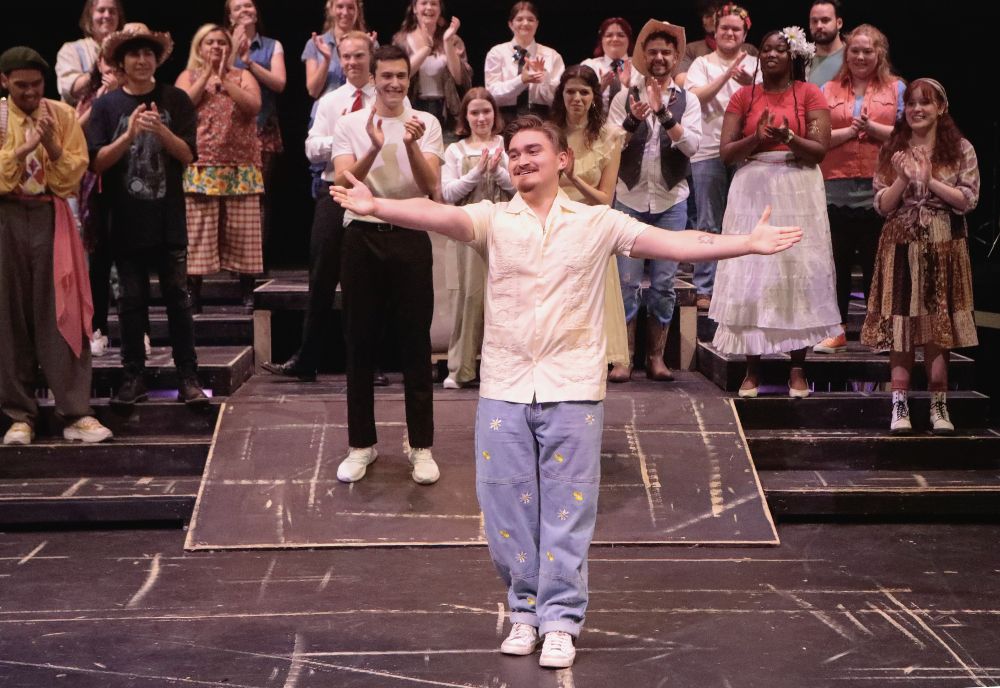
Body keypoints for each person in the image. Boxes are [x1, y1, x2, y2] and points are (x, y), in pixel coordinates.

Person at [331, 114, 801, 669]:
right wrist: (378, 205)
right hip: (505, 384)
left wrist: (745, 242)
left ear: (562, 160)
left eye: (533, 150)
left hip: (572, 384)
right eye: (514, 152)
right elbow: (438, 214)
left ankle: (560, 620)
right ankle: (523, 610)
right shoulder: (494, 219)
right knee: (504, 507)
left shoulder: (596, 222)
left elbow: (676, 242)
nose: (522, 159)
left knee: (566, 510)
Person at [329, 44, 444, 485]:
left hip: (411, 236)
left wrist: (411, 146)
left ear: (408, 80)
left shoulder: (426, 123)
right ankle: (361, 445)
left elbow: (432, 185)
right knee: (359, 343)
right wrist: (375, 148)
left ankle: (421, 447)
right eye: (386, 76)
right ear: (373, 78)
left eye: (401, 76)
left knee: (415, 343)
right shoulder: (350, 124)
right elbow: (342, 181)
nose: (394, 83)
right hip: (360, 236)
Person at [709, 27, 840, 398]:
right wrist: (757, 138)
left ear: (793, 56)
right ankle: (752, 370)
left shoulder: (809, 93)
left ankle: (797, 369)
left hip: (798, 184)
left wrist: (788, 138)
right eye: (765, 49)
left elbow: (818, 150)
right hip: (753, 186)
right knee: (753, 270)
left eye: (779, 50)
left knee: (798, 268)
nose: (770, 55)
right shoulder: (742, 96)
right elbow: (726, 153)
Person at [87, 23, 209, 407]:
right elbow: (96, 164)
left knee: (178, 300)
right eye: (134, 54)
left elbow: (188, 155)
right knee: (130, 303)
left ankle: (188, 378)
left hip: (168, 219)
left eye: (148, 54)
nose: (142, 60)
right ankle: (133, 376)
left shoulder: (176, 100)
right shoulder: (106, 106)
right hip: (123, 223)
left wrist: (160, 132)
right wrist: (127, 137)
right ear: (121, 62)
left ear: (157, 60)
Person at [0, 46, 113, 446]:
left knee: (62, 310)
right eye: (21, 86)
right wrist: (23, 148)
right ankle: (19, 415)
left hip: (50, 215)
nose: (30, 93)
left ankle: (75, 411)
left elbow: (71, 176)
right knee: (9, 316)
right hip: (6, 216)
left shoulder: (61, 115)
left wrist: (50, 146)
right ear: (5, 82)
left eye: (36, 85)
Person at [861, 79, 979, 435]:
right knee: (901, 325)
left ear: (941, 108)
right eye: (910, 103)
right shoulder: (893, 149)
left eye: (925, 103)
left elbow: (968, 201)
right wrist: (901, 178)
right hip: (899, 244)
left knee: (937, 327)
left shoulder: (960, 149)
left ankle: (938, 404)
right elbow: (881, 204)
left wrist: (929, 181)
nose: (916, 109)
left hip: (944, 244)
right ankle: (899, 404)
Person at [263, 31, 375, 381]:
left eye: (359, 55)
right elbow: (312, 149)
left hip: (373, 192)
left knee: (367, 280)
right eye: (347, 56)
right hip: (334, 190)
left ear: (371, 57)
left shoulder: (383, 100)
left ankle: (367, 364)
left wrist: (350, 141)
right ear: (340, 59)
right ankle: (307, 358)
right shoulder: (330, 101)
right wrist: (346, 136)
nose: (353, 62)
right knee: (322, 276)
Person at [608, 20, 703, 382]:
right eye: (653, 52)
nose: (660, 58)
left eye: (666, 52)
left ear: (676, 57)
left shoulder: (687, 100)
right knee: (627, 283)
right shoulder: (623, 97)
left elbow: (692, 146)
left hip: (670, 200)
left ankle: (656, 356)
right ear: (643, 57)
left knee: (664, 283)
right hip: (630, 197)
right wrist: (633, 121)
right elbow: (611, 145)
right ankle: (623, 357)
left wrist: (663, 114)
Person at [813, 25, 904, 354]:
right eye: (855, 50)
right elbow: (818, 137)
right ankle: (835, 331)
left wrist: (872, 128)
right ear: (845, 53)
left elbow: (908, 134)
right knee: (834, 266)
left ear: (880, 53)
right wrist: (850, 132)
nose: (861, 56)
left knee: (876, 265)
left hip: (880, 192)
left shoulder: (897, 88)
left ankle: (877, 331)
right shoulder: (828, 87)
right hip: (834, 190)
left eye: (868, 51)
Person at [550, 65, 630, 381]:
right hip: (555, 220)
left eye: (584, 92)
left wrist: (572, 178)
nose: (577, 98)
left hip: (592, 220)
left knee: (604, 288)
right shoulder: (550, 133)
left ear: (594, 97)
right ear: (562, 95)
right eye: (571, 91)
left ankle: (616, 357)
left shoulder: (610, 137)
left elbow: (605, 199)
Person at [176, 24, 263, 309]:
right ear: (199, 48)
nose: (216, 47)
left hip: (241, 166)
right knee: (199, 233)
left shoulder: (243, 75)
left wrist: (225, 80)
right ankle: (193, 293)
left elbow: (253, 106)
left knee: (243, 232)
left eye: (221, 42)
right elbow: (182, 106)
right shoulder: (188, 76)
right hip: (202, 165)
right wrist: (205, 77)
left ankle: (248, 292)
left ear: (231, 47)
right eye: (209, 42)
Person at [685, 4, 759, 311]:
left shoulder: (756, 63)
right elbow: (694, 97)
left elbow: (768, 101)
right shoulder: (702, 63)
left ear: (744, 34)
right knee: (708, 222)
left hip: (747, 151)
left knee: (743, 221)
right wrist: (726, 76)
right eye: (724, 28)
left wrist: (748, 84)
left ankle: (740, 287)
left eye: (736, 29)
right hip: (708, 150)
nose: (730, 33)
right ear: (715, 32)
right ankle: (706, 287)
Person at [440, 87, 514, 389]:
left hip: (505, 226)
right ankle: (462, 367)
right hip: (469, 229)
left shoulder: (506, 145)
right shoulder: (456, 150)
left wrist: (497, 172)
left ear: (494, 114)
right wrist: (477, 172)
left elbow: (520, 187)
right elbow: (447, 194)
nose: (481, 117)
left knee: (507, 296)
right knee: (470, 297)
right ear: (466, 117)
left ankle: (505, 369)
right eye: (475, 112)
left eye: (486, 111)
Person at [228, 0, 287, 268]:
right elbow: (217, 75)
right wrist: (233, 47)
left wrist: (249, 62)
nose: (245, 10)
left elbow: (279, 82)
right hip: (228, 129)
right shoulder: (221, 42)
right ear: (230, 16)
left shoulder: (272, 46)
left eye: (248, 5)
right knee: (231, 195)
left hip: (262, 128)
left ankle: (256, 260)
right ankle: (232, 258)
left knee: (259, 195)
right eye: (238, 7)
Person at [302, 0, 373, 199]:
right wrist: (326, 58)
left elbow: (374, 79)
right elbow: (313, 90)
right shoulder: (317, 43)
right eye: (340, 6)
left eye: (351, 7)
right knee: (327, 179)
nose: (345, 12)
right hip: (330, 117)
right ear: (330, 9)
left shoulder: (369, 42)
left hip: (365, 108)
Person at [392, 0, 472, 129]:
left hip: (446, 111)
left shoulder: (453, 39)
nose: (429, 7)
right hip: (412, 108)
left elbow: (460, 79)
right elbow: (399, 74)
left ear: (440, 9)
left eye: (434, 4)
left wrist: (447, 42)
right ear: (414, 8)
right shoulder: (401, 40)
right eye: (424, 3)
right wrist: (427, 48)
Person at [484, 1, 565, 121]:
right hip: (505, 118)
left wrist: (544, 79)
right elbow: (492, 94)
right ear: (511, 24)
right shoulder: (497, 53)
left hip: (541, 118)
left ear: (537, 24)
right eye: (519, 19)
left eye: (531, 19)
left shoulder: (551, 55)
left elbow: (558, 99)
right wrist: (521, 81)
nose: (525, 23)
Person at [55, 0, 125, 106]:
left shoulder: (127, 52)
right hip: (81, 120)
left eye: (112, 11)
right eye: (101, 10)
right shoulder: (71, 49)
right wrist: (101, 69)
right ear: (90, 16)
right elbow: (72, 90)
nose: (107, 15)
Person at [580, 18, 641, 113]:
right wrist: (599, 90)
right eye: (609, 35)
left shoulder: (639, 66)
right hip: (596, 125)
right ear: (601, 40)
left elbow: (646, 103)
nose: (615, 39)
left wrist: (627, 87)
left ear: (629, 40)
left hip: (631, 124)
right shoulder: (589, 66)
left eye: (621, 35)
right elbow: (579, 104)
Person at [806, 0, 844, 87]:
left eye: (825, 20)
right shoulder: (802, 61)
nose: (819, 26)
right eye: (814, 21)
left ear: (839, 23)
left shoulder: (852, 57)